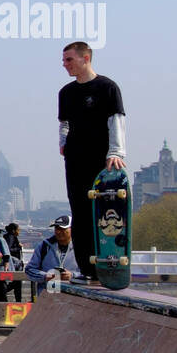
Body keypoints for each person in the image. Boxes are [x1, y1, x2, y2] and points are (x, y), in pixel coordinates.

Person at [59, 41, 126, 282]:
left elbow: (116, 120)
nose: (64, 64)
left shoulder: (107, 87)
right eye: (64, 60)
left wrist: (116, 152)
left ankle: (109, 263)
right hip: (75, 159)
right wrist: (63, 143)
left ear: (85, 58)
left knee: (105, 211)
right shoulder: (65, 92)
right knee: (80, 210)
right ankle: (87, 268)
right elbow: (64, 122)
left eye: (69, 59)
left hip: (102, 159)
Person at [25, 215, 78, 296]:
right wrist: (45, 276)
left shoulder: (82, 249)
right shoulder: (44, 246)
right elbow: (29, 270)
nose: (58, 232)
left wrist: (72, 275)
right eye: (57, 228)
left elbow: (91, 274)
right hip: (47, 297)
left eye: (62, 229)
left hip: (73, 297)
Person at [4, 223, 25, 302]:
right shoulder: (11, 237)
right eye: (18, 230)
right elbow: (8, 250)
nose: (19, 231)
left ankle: (18, 300)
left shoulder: (9, 236)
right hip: (14, 264)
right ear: (13, 230)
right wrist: (18, 247)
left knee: (17, 284)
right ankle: (0, 294)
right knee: (17, 283)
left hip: (13, 263)